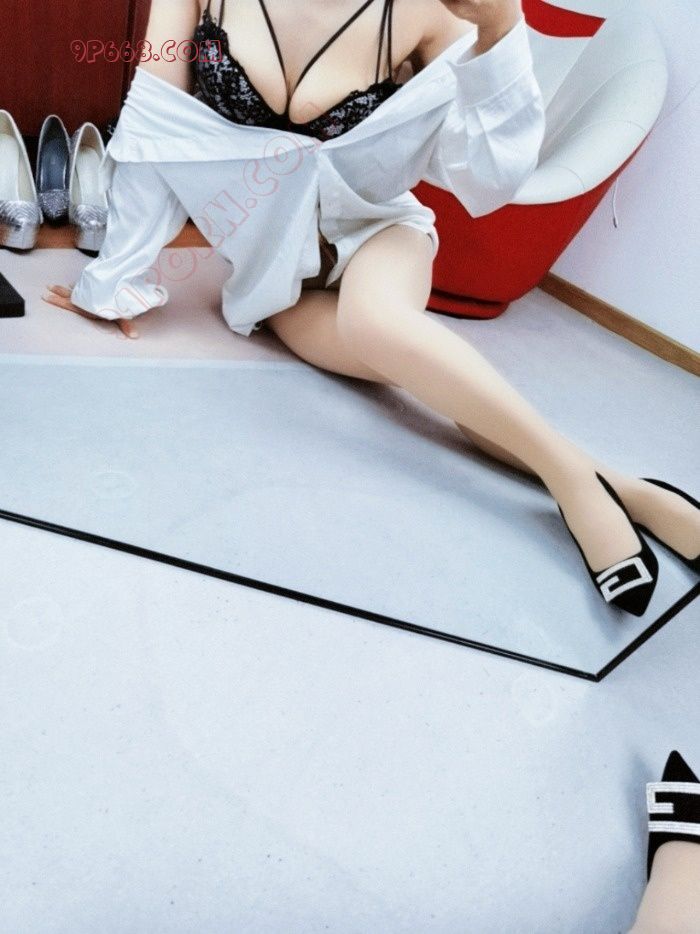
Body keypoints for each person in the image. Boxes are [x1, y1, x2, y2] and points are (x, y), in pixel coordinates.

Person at [43, 0, 699, 613]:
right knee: (426, 373)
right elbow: (155, 125)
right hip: (279, 278)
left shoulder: (423, 10)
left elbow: (488, 181)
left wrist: (499, 30)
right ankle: (628, 489)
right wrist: (115, 278)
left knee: (377, 322)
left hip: (378, 233)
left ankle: (575, 487)